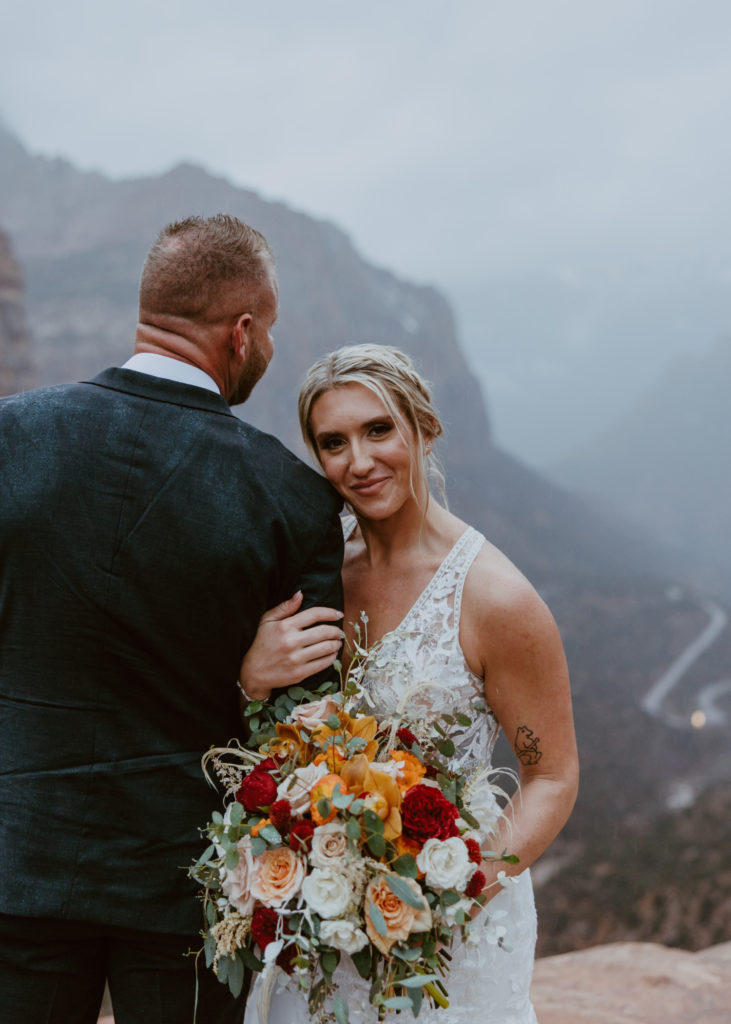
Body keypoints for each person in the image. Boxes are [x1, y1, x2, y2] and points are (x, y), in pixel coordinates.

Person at [0, 214, 345, 1024]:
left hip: (18, 866)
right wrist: (241, 677)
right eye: (268, 334)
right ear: (242, 331)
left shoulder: (11, 438)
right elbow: (309, 729)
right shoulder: (289, 497)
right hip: (188, 892)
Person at [239, 343, 579, 1024]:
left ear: (425, 429)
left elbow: (552, 776)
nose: (357, 462)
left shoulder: (496, 599)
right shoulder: (311, 571)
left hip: (447, 928)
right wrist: (250, 679)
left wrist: (458, 888)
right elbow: (268, 733)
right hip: (321, 914)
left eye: (377, 430)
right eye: (332, 442)